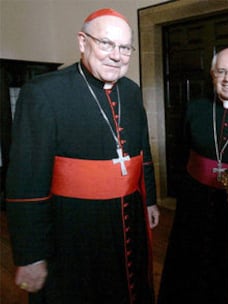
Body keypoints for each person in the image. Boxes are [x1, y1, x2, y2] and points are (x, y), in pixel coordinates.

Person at [5, 8, 159, 304]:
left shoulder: (131, 91)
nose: (116, 55)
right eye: (106, 43)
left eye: (125, 47)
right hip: (72, 227)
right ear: (82, 42)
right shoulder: (43, 93)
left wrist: (149, 197)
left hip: (128, 215)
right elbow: (25, 182)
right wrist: (31, 254)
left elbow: (143, 151)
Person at [157, 48, 228, 304]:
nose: (227, 78)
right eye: (221, 71)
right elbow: (181, 150)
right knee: (190, 263)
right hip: (195, 200)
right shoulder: (195, 108)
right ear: (212, 74)